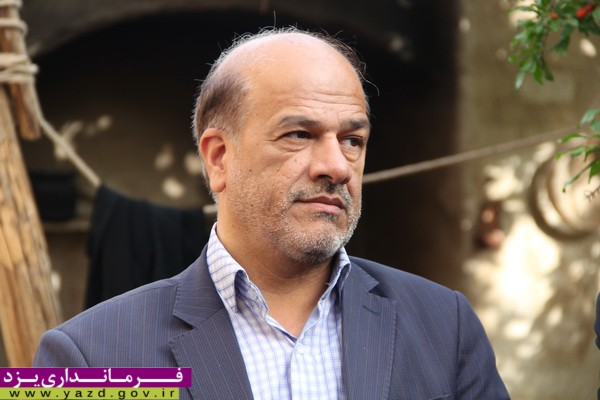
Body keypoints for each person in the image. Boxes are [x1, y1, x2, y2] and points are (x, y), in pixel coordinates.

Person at [34, 27, 510, 399]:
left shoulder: (445, 324)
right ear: (219, 158)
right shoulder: (85, 357)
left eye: (352, 140)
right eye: (299, 135)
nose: (337, 166)